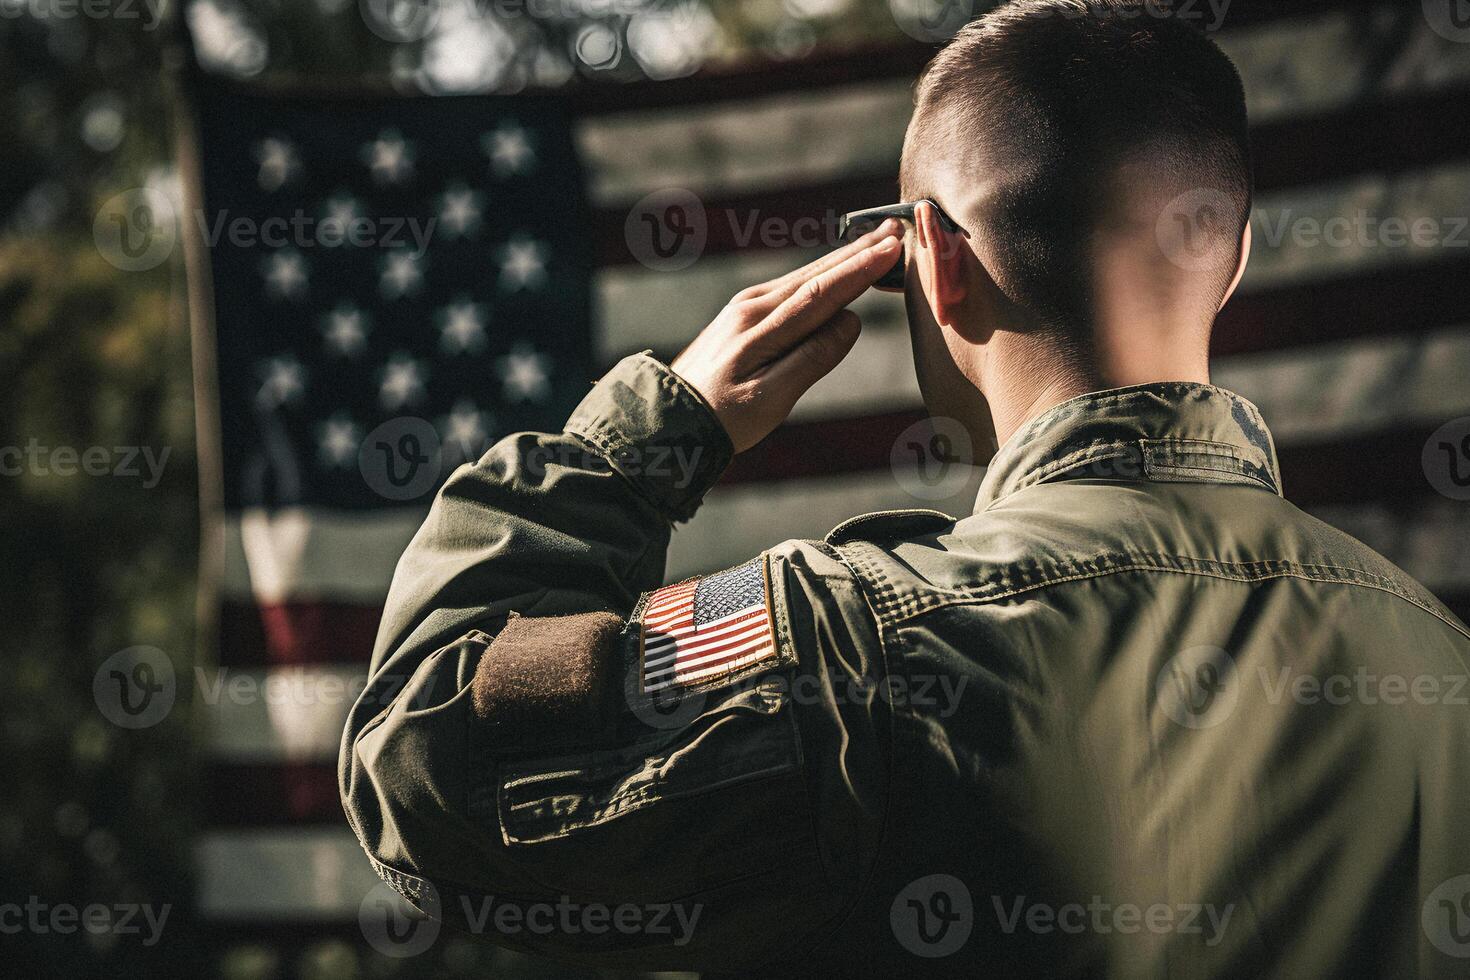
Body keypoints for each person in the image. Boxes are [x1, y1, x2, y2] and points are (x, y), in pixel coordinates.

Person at [339, 2, 1470, 975]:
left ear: (930, 257)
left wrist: (649, 433)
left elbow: (418, 752)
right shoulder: (1441, 663)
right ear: (1233, 253)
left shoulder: (854, 645)